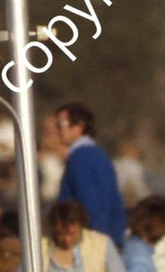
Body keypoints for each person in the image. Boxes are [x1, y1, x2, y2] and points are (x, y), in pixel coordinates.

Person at [54, 102, 127, 247]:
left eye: (60, 124)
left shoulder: (81, 158)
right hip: (108, 238)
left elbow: (88, 203)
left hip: (89, 241)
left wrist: (92, 243)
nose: (58, 131)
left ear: (79, 126)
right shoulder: (98, 154)